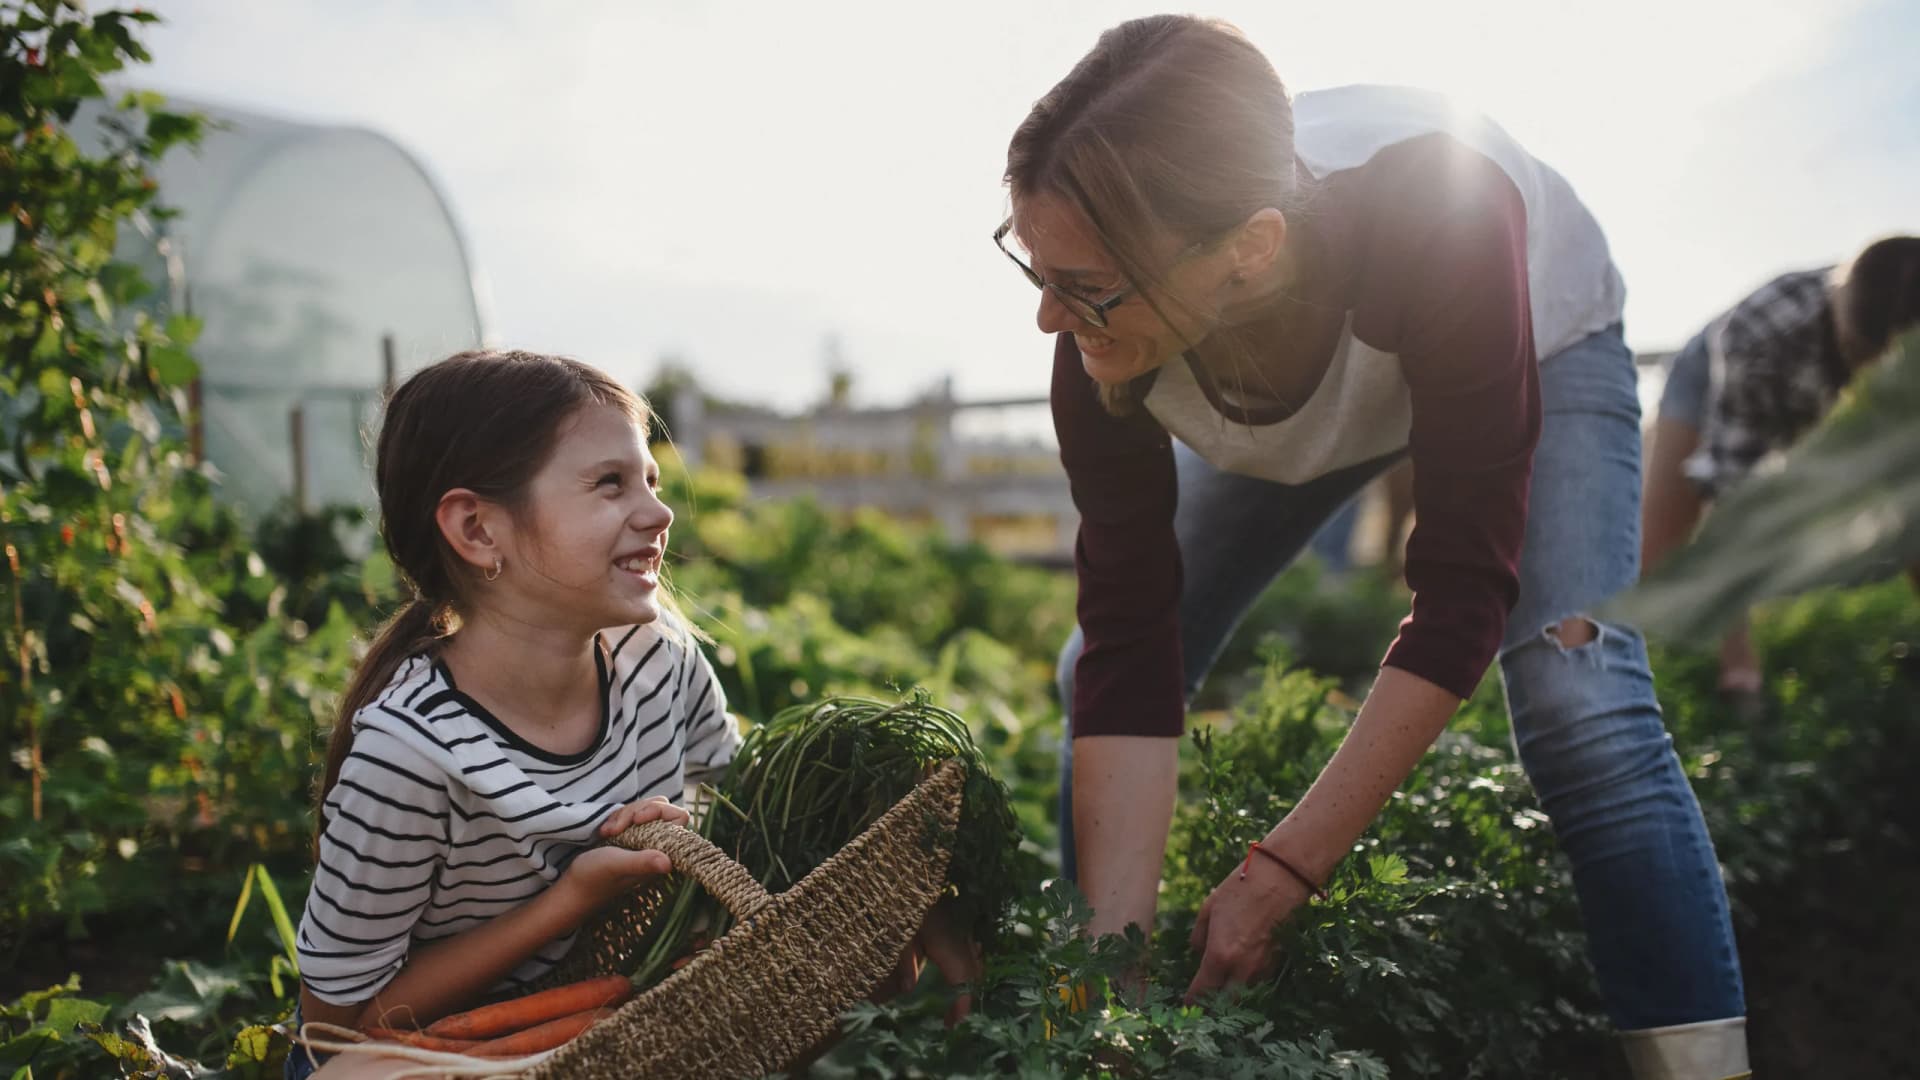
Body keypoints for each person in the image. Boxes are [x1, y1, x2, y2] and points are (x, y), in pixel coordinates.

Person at [1000, 16, 1748, 1078]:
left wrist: (1284, 869)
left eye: (1083, 285)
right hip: (1275, 372)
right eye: (1036, 266)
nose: (1045, 318)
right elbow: (1130, 639)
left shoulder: (1444, 209)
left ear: (1249, 247)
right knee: (1092, 670)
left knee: (1582, 704)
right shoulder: (1102, 343)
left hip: (1528, 337)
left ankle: (1706, 1067)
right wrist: (1108, 996)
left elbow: (1459, 596)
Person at [287, 350, 743, 1078]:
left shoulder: (662, 662)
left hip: (594, 1026)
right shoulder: (409, 758)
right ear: (477, 531)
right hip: (425, 1056)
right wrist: (569, 900)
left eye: (651, 480)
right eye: (609, 485)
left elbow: (746, 804)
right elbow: (335, 1031)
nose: (659, 513)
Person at [1642, 236, 1920, 700]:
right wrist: (1740, 666)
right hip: (1715, 370)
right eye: (1858, 361)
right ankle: (1674, 670)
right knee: (1661, 541)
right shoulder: (1761, 337)